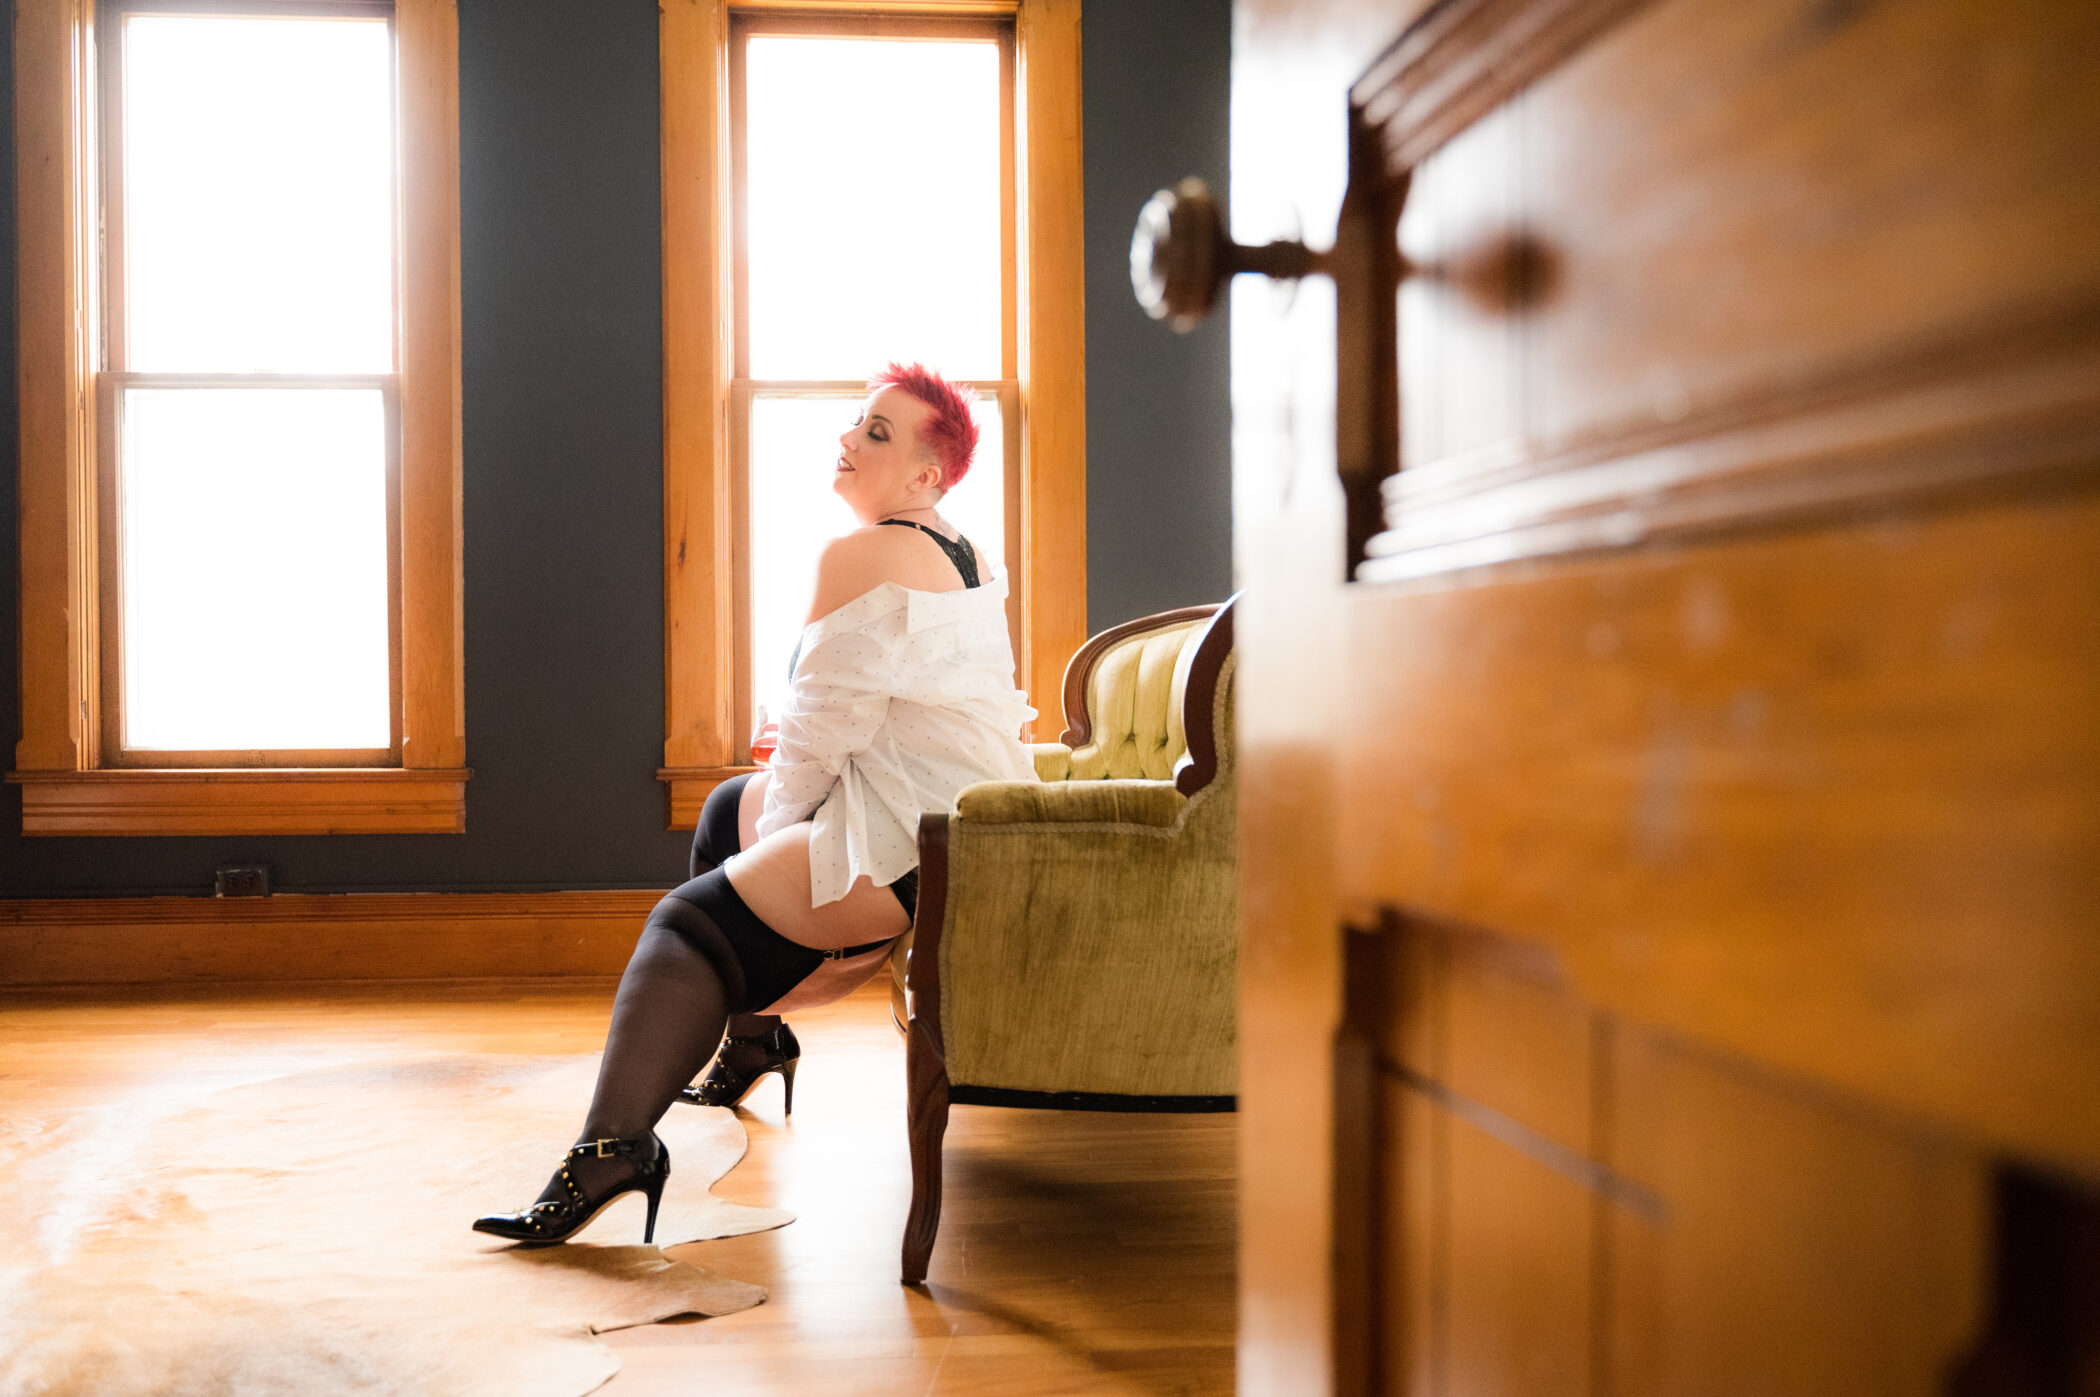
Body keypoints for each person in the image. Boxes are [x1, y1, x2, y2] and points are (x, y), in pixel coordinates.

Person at [474, 363, 1034, 1244]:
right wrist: (767, 831)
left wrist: (773, 856)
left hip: (915, 844)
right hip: (957, 822)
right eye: (857, 422)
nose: (849, 439)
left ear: (927, 475)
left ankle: (613, 1149)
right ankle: (753, 1044)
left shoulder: (861, 555)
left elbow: (818, 735)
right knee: (725, 805)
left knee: (689, 923)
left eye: (878, 433)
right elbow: (865, 718)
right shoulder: (960, 549)